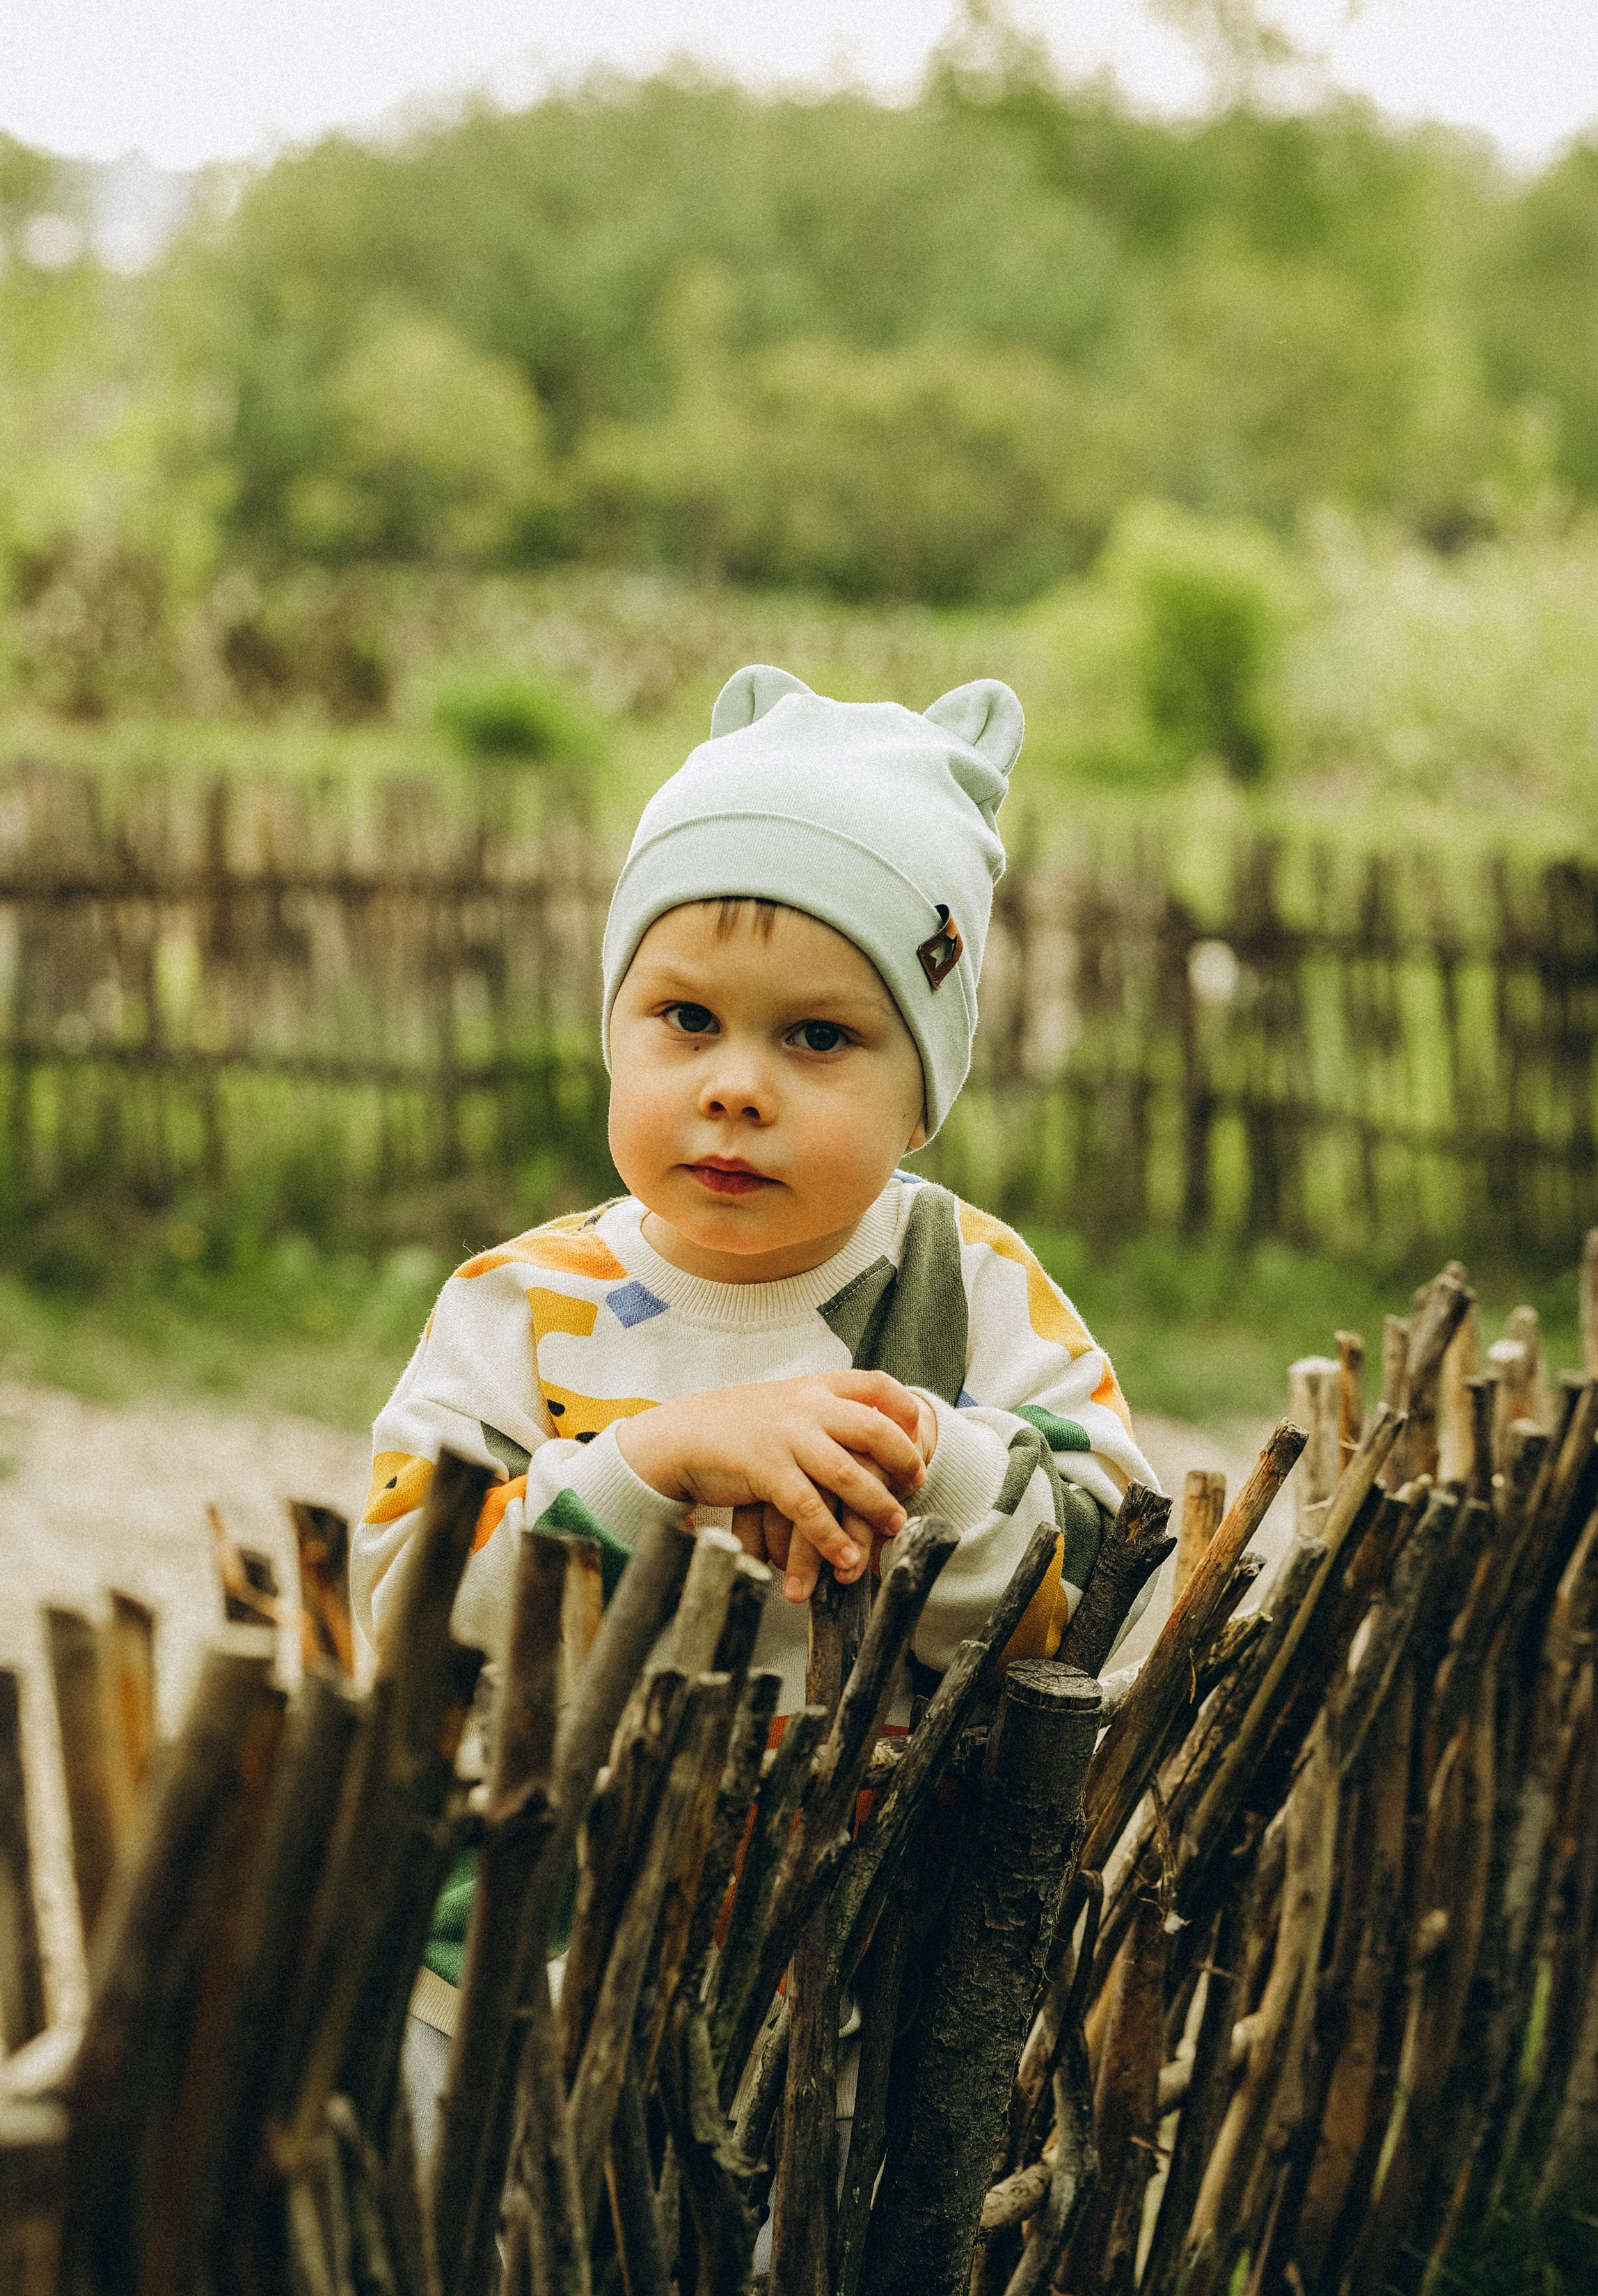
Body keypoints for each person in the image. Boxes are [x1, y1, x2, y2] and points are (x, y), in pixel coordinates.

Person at [352, 662, 1161, 2161]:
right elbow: (399, 1595)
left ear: (923, 1091)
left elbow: (1119, 1560)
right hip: (497, 1977)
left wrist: (931, 1461)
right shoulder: (524, 1306)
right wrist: (643, 1468)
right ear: (613, 1028)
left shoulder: (970, 1291)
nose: (735, 1086)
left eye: (817, 1039)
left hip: (830, 2001)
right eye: (685, 1018)